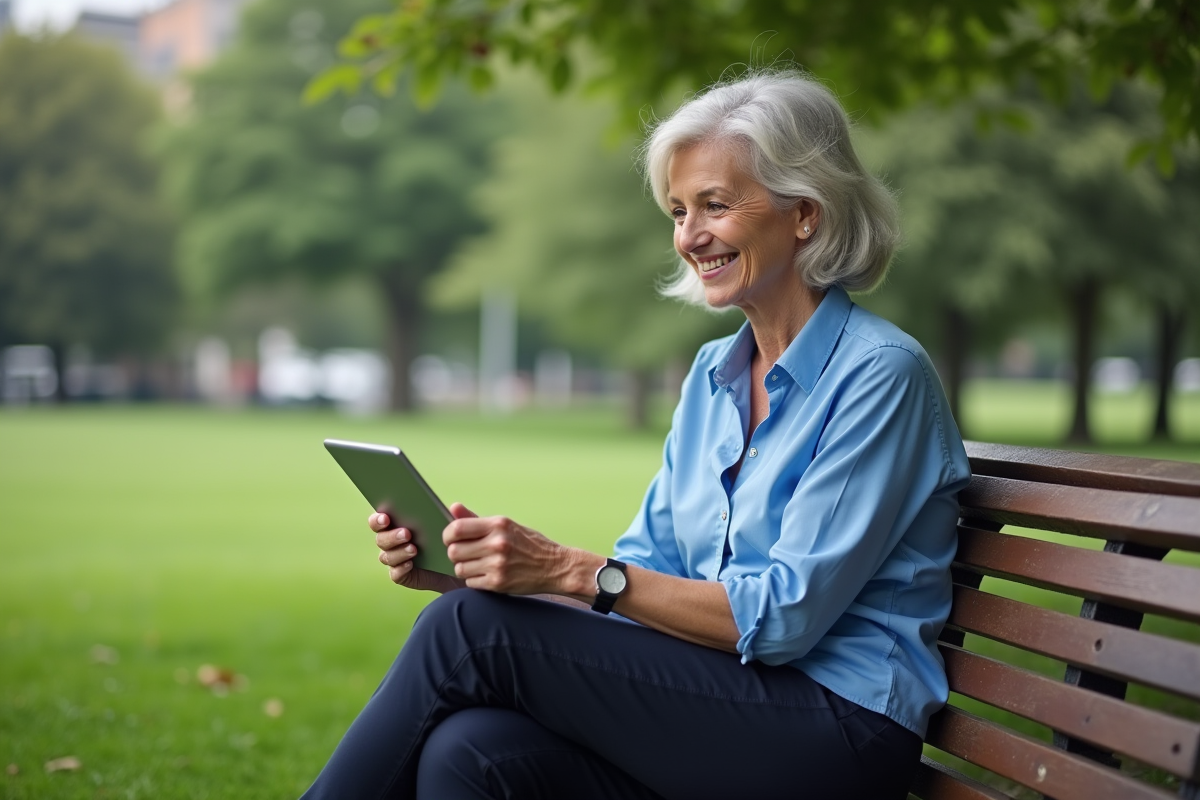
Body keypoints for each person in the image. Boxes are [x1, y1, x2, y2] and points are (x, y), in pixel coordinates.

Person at [300, 70, 970, 800]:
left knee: (465, 632)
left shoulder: (880, 375)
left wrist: (562, 570)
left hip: (838, 732)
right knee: (470, 750)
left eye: (715, 205)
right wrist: (486, 578)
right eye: (678, 211)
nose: (690, 236)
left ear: (804, 213)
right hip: (733, 700)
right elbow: (640, 574)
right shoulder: (715, 372)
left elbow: (781, 619)